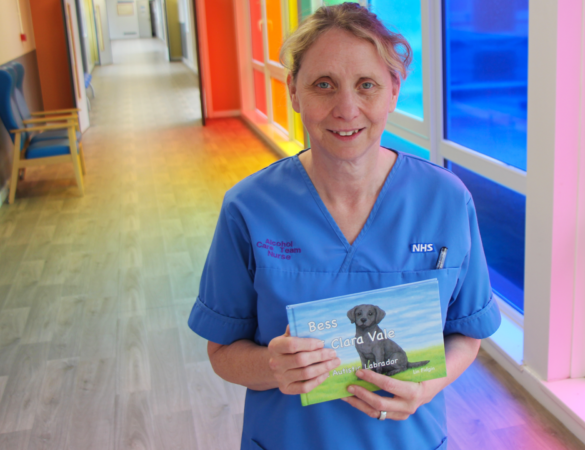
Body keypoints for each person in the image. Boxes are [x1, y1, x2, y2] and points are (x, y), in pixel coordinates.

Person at [187, 4, 501, 449]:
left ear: (394, 91)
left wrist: (426, 388)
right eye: (323, 85)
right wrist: (272, 368)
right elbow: (222, 353)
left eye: (367, 85)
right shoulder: (249, 208)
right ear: (294, 91)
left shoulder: (446, 201)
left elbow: (468, 332)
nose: (346, 108)